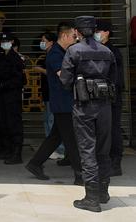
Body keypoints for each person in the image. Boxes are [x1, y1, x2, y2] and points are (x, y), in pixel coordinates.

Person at [60, 16, 117, 213]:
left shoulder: (73, 50)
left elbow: (66, 81)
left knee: (87, 150)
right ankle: (103, 192)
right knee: (103, 149)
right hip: (105, 105)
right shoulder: (107, 51)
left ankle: (92, 198)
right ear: (94, 30)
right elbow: (114, 78)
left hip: (84, 105)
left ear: (76, 31)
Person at [25, 23, 82, 185]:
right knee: (71, 139)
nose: (75, 39)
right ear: (64, 36)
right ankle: (80, 175)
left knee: (56, 136)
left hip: (65, 101)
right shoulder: (56, 54)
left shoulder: (63, 51)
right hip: (63, 103)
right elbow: (63, 75)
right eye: (73, 36)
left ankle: (35, 164)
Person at [95, 20, 125, 177]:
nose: (96, 34)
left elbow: (116, 78)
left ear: (106, 32)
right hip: (100, 97)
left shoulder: (113, 51)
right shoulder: (98, 49)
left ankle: (115, 163)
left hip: (112, 97)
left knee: (113, 130)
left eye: (98, 31)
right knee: (103, 131)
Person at [0, 33, 25, 165]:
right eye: (3, 41)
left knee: (14, 123)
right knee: (4, 123)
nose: (4, 43)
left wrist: (4, 85)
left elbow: (19, 79)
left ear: (11, 42)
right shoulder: (1, 56)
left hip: (12, 95)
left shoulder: (15, 58)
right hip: (2, 95)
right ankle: (8, 149)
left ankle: (16, 153)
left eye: (7, 41)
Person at [35, 32, 65, 159]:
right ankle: (53, 149)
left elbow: (56, 73)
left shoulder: (54, 54)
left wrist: (41, 70)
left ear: (51, 42)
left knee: (53, 121)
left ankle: (60, 150)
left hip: (54, 95)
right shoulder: (46, 55)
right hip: (47, 93)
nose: (42, 43)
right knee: (47, 120)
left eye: (44, 40)